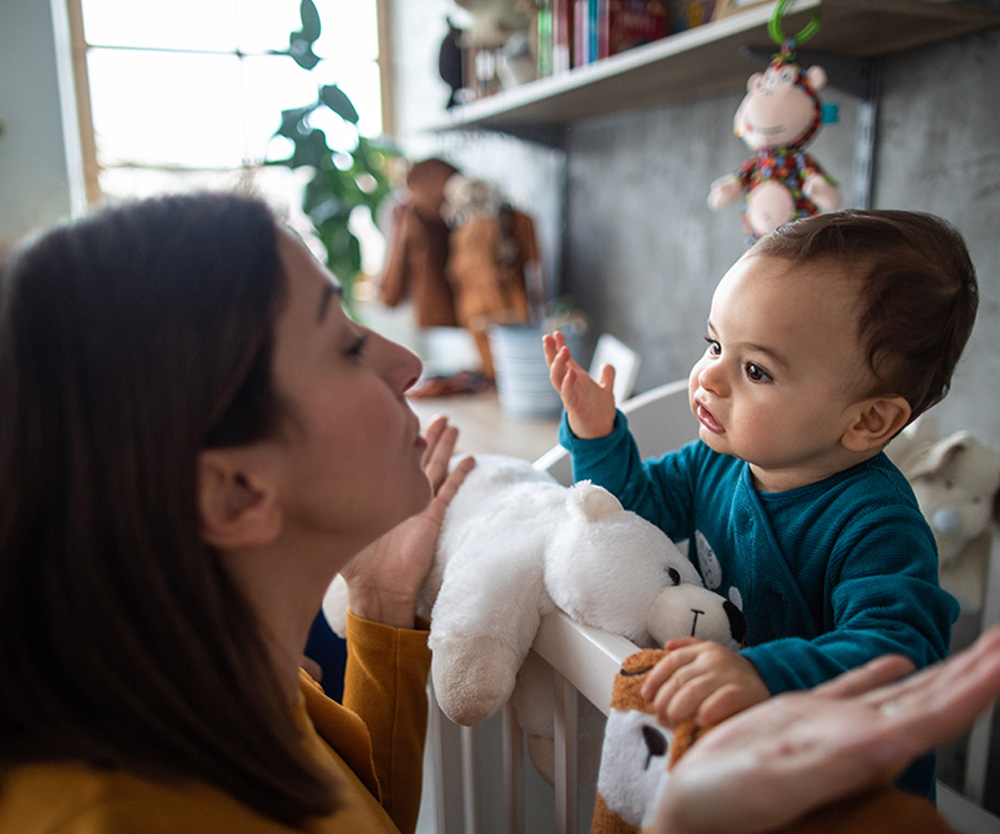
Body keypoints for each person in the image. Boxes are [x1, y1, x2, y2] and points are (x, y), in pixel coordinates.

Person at [0, 191, 474, 833]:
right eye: (346, 346)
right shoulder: (120, 817)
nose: (408, 366)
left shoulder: (213, 672)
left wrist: (382, 601)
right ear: (234, 494)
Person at [544, 209, 979, 797]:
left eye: (755, 369)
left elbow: (898, 653)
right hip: (744, 767)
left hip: (848, 794)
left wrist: (763, 673)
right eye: (714, 343)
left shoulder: (877, 525)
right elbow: (630, 513)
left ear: (870, 419)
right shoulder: (716, 462)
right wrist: (598, 438)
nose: (709, 378)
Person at [652, 624, 1000, 834]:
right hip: (749, 782)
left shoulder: (881, 521)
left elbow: (899, 643)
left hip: (861, 802)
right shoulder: (722, 495)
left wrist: (765, 670)